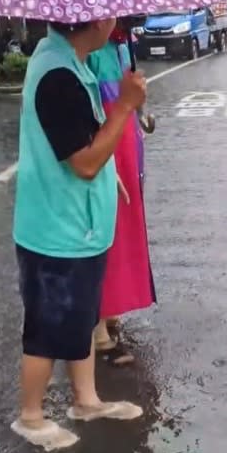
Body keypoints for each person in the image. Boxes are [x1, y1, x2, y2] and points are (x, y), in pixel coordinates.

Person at [11, 17, 148, 451]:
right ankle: (31, 417)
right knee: (48, 328)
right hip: (58, 228)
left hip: (81, 225)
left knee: (84, 317)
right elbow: (84, 162)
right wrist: (125, 106)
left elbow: (88, 148)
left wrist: (112, 178)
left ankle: (86, 400)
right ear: (96, 19)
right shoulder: (58, 76)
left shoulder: (73, 62)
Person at [87, 26, 156, 366]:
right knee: (106, 229)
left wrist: (142, 111)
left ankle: (112, 309)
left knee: (125, 227)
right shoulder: (90, 50)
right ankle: (97, 329)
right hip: (108, 147)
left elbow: (129, 99)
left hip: (128, 147)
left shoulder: (121, 46)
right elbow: (94, 109)